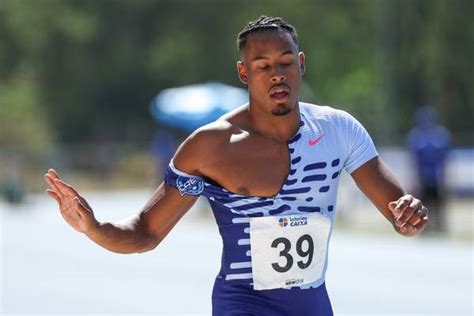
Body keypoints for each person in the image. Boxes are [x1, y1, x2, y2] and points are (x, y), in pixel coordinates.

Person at [45, 16, 429, 316]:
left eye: (284, 63)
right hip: (244, 304)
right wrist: (92, 228)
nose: (276, 73)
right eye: (262, 66)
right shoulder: (211, 148)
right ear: (244, 73)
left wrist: (408, 216)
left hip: (312, 305)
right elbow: (146, 231)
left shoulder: (339, 130)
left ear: (301, 64)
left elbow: (400, 213)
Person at [407, 106, 450, 233]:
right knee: (422, 202)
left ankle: (439, 226)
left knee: (439, 201)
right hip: (422, 177)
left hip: (436, 176)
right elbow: (413, 161)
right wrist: (413, 179)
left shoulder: (440, 136)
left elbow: (445, 160)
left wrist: (447, 177)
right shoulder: (416, 137)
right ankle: (423, 226)